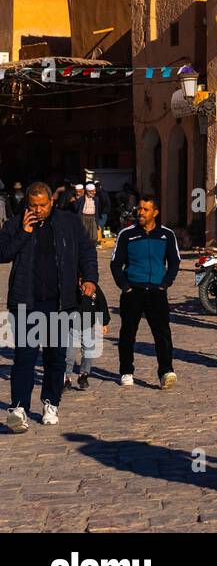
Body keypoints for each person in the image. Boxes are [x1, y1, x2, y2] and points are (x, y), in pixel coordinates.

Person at [1, 182, 99, 432]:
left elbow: (87, 250)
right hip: (26, 303)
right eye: (32, 205)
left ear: (51, 202)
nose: (37, 209)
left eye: (42, 205)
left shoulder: (69, 222)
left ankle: (50, 403)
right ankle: (19, 408)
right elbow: (2, 253)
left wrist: (89, 278)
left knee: (55, 357)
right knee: (24, 357)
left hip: (58, 304)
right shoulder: (15, 223)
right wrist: (23, 232)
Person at [110, 194, 181, 390]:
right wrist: (125, 286)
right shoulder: (127, 234)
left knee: (162, 334)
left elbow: (175, 261)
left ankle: (166, 371)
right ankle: (126, 370)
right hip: (133, 291)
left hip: (157, 291)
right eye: (139, 208)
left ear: (155, 213)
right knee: (127, 333)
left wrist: (165, 283)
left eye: (145, 209)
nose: (140, 212)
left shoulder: (166, 235)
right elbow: (115, 264)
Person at [65, 278, 109, 392]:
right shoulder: (70, 288)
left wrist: (104, 322)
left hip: (89, 326)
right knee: (70, 353)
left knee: (89, 352)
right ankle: (66, 377)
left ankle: (83, 375)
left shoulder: (94, 289)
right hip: (72, 326)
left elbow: (102, 305)